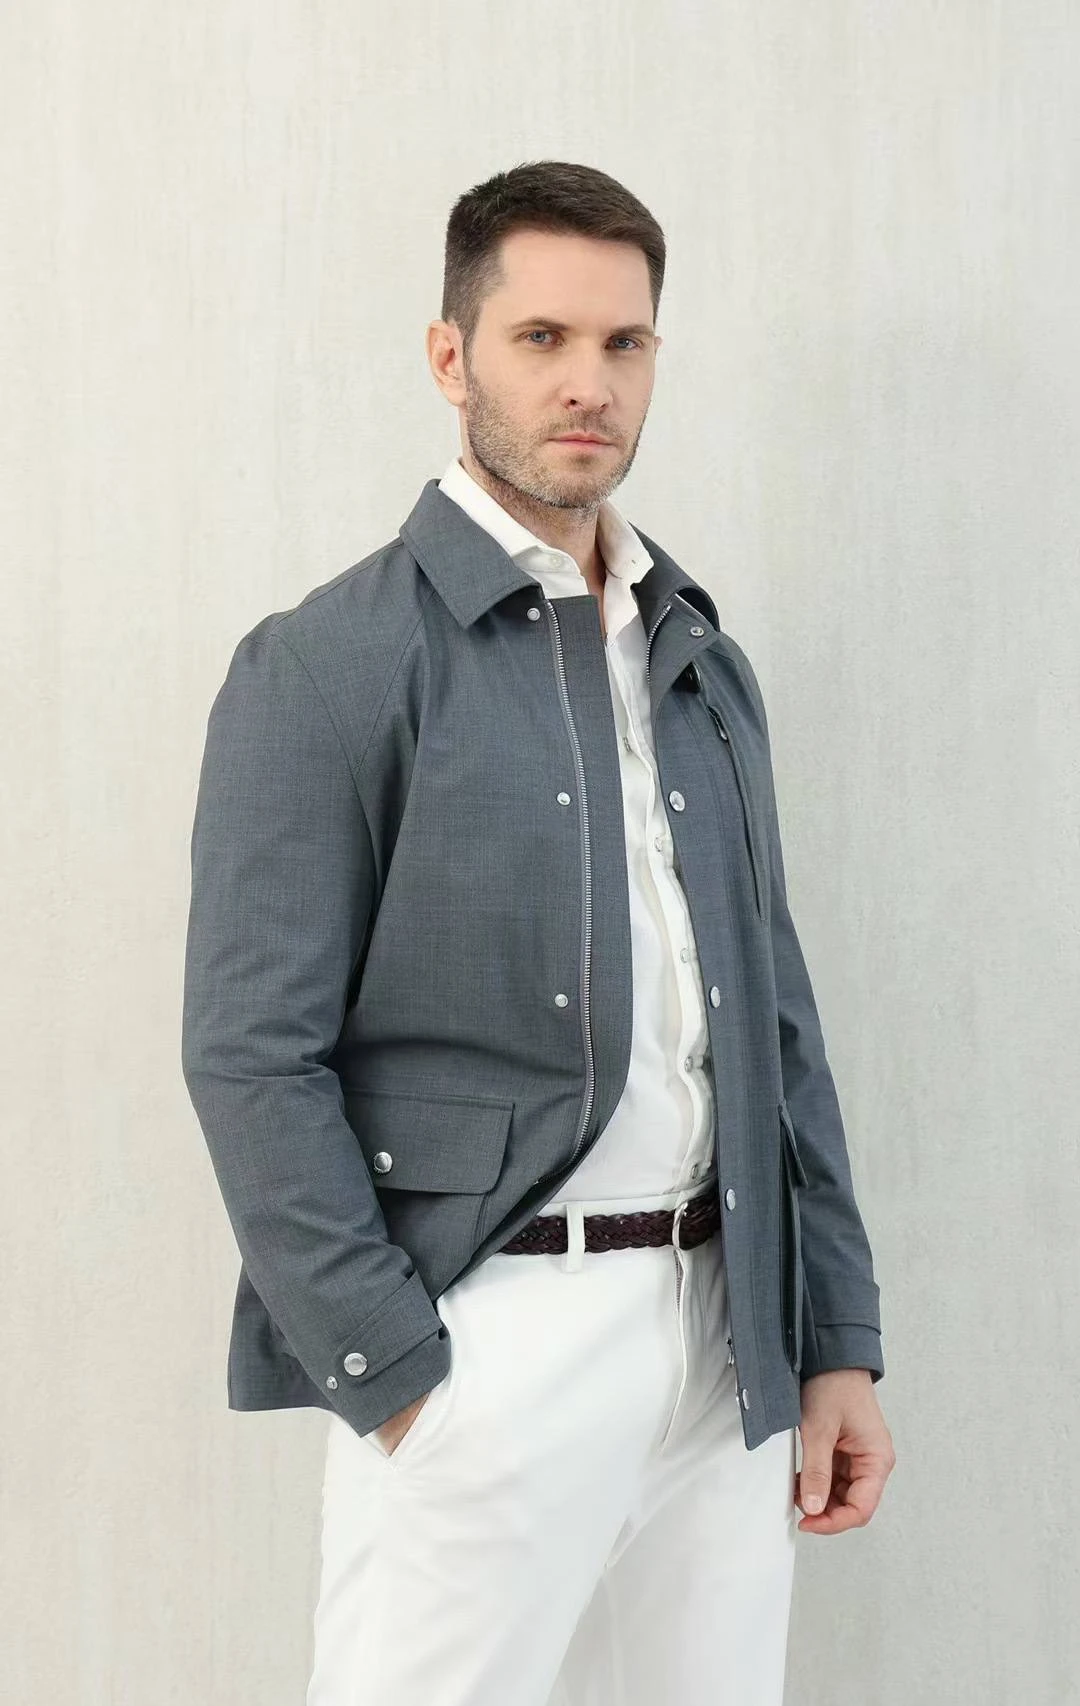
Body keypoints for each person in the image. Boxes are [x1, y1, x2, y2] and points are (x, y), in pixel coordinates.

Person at [181, 159, 895, 1706]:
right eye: (542, 338)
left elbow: (775, 1022)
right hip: (489, 1341)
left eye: (624, 343)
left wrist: (833, 1332)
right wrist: (399, 1379)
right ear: (452, 358)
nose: (589, 382)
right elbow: (250, 1056)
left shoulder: (699, 657)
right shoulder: (329, 664)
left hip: (724, 1344)